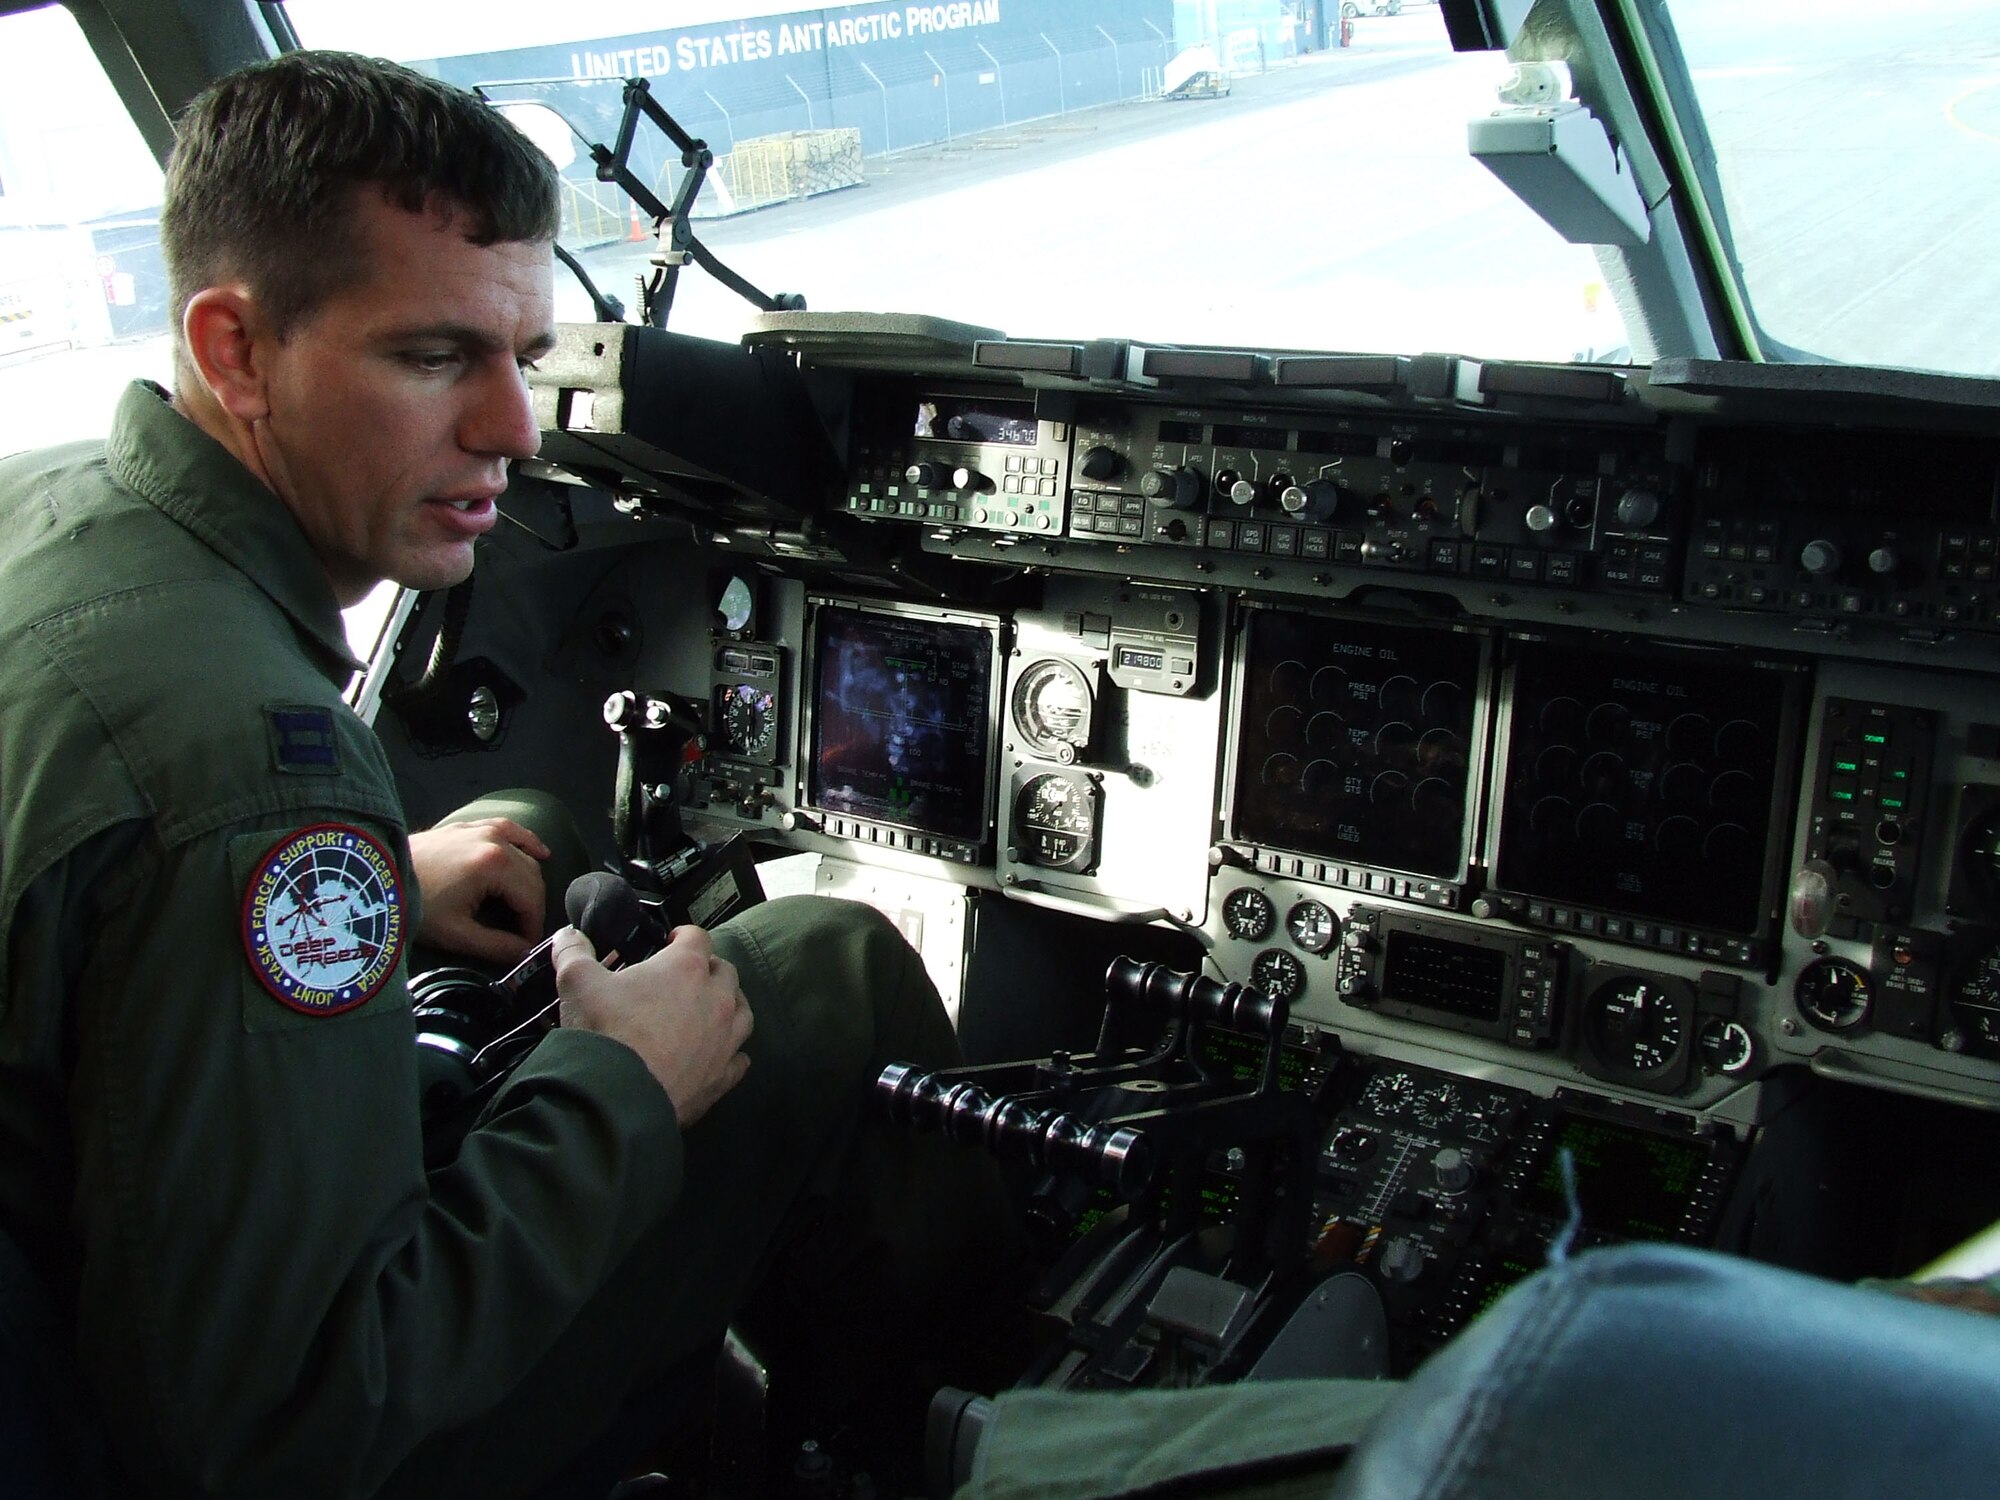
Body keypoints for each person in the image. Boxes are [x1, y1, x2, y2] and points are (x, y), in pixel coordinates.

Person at [0, 50, 1015, 1499]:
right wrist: (622, 1084)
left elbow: (108, 903)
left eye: (523, 358)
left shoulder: (50, 514)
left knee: (527, 838)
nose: (515, 431)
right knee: (823, 968)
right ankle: (951, 1439)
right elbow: (295, 1429)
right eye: (431, 359)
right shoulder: (245, 776)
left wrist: (383, 885)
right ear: (233, 352)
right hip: (260, 1446)